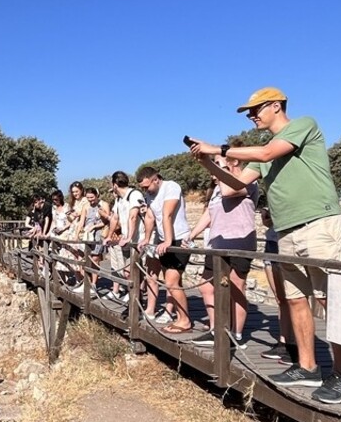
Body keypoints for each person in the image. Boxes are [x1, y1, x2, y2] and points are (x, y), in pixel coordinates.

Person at [189, 87, 341, 404]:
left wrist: (219, 148)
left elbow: (266, 154)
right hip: (285, 230)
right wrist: (207, 162)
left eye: (256, 110)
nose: (252, 116)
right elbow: (235, 185)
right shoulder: (262, 150)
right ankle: (307, 366)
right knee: (295, 300)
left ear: (276, 106)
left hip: (318, 223)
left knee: (329, 300)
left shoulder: (303, 125)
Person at [187, 149, 259, 348]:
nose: (213, 169)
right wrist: (191, 235)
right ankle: (215, 329)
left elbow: (230, 191)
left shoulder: (247, 182)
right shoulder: (217, 188)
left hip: (239, 243)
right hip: (217, 246)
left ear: (234, 163)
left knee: (236, 288)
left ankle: (235, 334)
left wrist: (219, 173)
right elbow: (209, 215)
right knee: (206, 286)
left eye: (218, 164)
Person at [136, 166, 194, 334]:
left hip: (178, 239)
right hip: (163, 240)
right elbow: (150, 217)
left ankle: (185, 321)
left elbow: (167, 213)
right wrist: (146, 239)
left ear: (156, 179)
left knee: (171, 282)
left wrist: (168, 240)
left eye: (147, 186)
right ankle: (180, 316)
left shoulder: (171, 187)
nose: (145, 190)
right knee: (174, 282)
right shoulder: (149, 195)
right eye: (142, 188)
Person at [105, 171, 147, 303]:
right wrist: (109, 235)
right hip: (126, 241)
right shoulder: (119, 199)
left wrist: (129, 236)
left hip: (137, 239)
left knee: (135, 270)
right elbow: (115, 218)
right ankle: (134, 295)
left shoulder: (134, 195)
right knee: (128, 271)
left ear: (115, 185)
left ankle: (136, 298)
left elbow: (133, 216)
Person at [258, 205, 291, 361]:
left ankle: (294, 345)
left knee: (294, 298)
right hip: (271, 244)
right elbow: (267, 223)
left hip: (286, 244)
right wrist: (267, 216)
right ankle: (284, 343)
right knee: (280, 299)